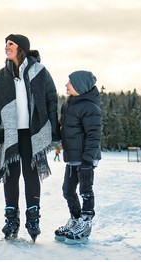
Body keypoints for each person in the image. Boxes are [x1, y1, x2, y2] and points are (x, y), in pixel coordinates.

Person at [0, 34, 60, 242]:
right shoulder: (0, 77)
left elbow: (51, 99)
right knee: (11, 175)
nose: (6, 47)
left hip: (32, 133)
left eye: (11, 44)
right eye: (5, 44)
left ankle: (33, 217)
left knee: (31, 174)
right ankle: (11, 218)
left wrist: (53, 127)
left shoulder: (40, 72)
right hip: (11, 134)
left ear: (22, 48)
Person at [54, 70, 102, 245]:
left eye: (70, 82)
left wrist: (88, 161)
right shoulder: (69, 105)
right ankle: (75, 219)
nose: (66, 85)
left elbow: (94, 136)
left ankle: (86, 223)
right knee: (68, 190)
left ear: (80, 86)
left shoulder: (90, 107)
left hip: (85, 158)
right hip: (72, 157)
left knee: (85, 190)